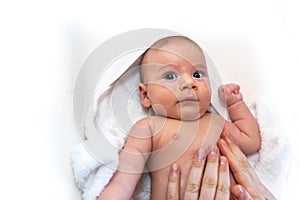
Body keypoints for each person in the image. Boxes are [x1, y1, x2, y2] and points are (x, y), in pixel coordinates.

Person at [97, 36, 261, 199]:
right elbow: (125, 176)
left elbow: (251, 141)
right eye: (170, 76)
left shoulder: (217, 123)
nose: (189, 82)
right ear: (146, 95)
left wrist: (236, 105)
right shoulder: (150, 128)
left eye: (197, 74)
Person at [167, 131, 276, 200]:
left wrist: (236, 105)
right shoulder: (155, 126)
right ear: (148, 97)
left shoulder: (214, 122)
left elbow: (251, 141)